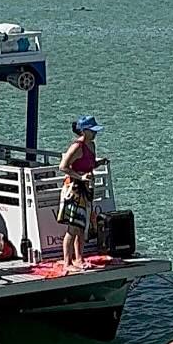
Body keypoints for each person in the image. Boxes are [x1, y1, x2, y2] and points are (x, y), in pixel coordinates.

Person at [56, 116, 100, 271]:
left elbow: (90, 163)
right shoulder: (77, 146)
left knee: (82, 227)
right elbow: (63, 167)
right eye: (93, 131)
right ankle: (67, 263)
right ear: (85, 131)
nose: (95, 134)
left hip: (87, 189)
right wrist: (80, 177)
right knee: (73, 228)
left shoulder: (91, 145)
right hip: (74, 190)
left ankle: (79, 259)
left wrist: (99, 163)